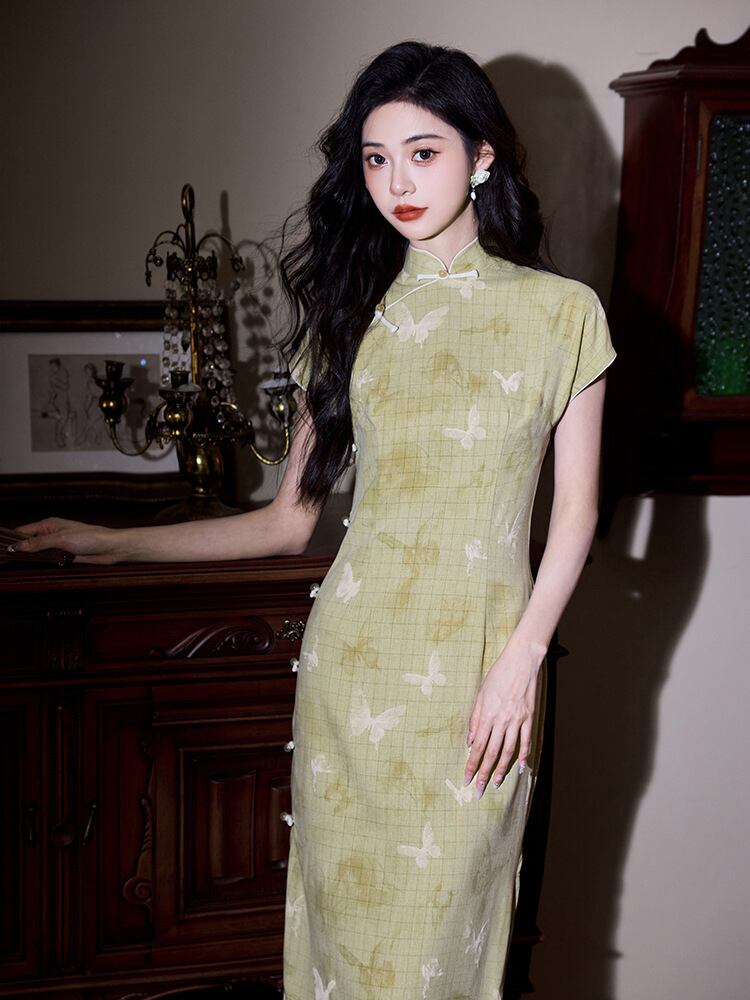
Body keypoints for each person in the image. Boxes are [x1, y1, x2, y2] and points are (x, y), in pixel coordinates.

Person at [11, 40, 616, 1000]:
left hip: (480, 680)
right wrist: (108, 541)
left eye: (423, 153)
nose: (397, 183)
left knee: (443, 949)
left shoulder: (561, 314)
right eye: (375, 159)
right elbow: (283, 526)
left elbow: (576, 512)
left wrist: (522, 662)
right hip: (352, 676)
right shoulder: (347, 320)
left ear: (482, 155)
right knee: (346, 950)